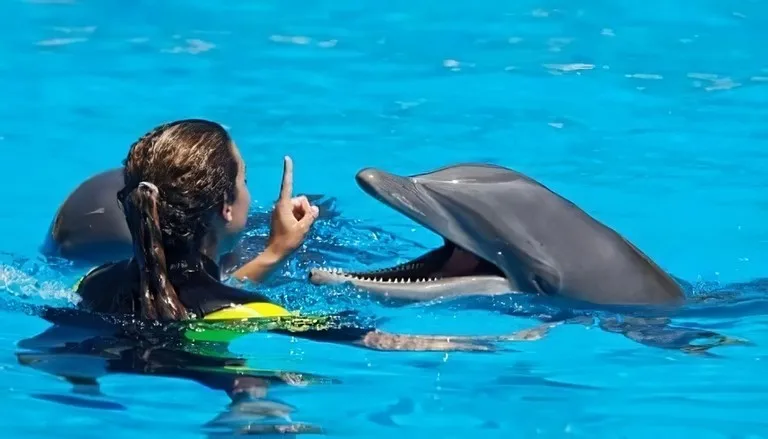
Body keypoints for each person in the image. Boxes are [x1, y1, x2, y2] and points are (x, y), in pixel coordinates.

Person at [73, 118, 552, 352]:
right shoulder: (251, 313)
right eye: (243, 181)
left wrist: (276, 251)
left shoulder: (93, 284)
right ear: (225, 208)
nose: (247, 192)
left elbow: (178, 297)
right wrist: (489, 342)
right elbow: (374, 341)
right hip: (234, 390)